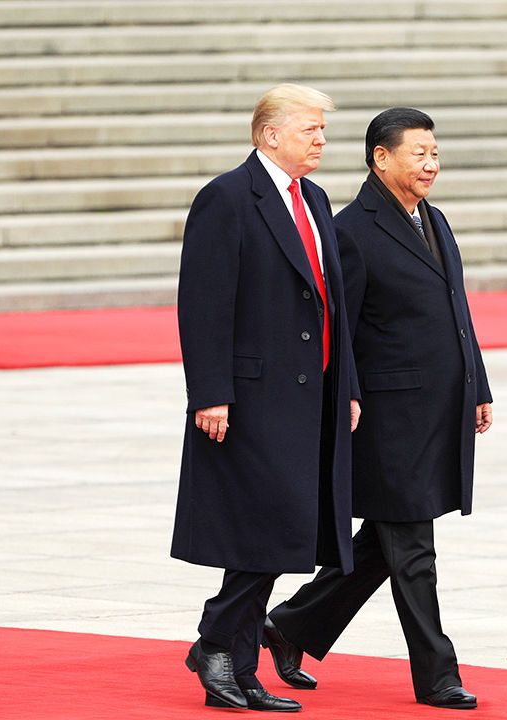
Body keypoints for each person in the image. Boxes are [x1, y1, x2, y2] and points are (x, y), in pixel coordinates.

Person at [261, 107, 493, 711]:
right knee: (413, 547)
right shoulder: (351, 231)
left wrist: (478, 385)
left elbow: (456, 311)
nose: (431, 165)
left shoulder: (434, 221)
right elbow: (337, 327)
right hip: (387, 419)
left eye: (435, 154)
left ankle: (292, 625)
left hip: (435, 409)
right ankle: (438, 673)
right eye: (419, 154)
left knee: (383, 544)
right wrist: (349, 397)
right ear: (380, 158)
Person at [171, 83, 361, 713]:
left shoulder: (312, 197)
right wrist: (211, 394)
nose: (322, 141)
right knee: (270, 528)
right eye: (311, 130)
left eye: (322, 131)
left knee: (281, 531)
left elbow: (333, 303)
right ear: (269, 134)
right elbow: (203, 304)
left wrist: (348, 386)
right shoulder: (227, 198)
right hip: (251, 397)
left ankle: (232, 658)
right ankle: (218, 643)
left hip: (312, 395)